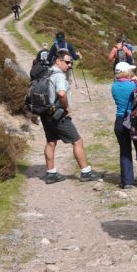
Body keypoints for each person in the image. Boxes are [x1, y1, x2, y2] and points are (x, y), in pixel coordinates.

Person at [41, 49, 101, 184]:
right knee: (77, 141)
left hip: (45, 113)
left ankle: (51, 174)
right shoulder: (59, 76)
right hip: (58, 114)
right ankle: (85, 172)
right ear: (58, 61)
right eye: (67, 62)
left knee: (51, 142)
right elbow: (61, 93)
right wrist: (67, 108)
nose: (70, 66)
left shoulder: (47, 72)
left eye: (71, 63)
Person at [110, 62, 137, 189]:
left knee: (124, 151)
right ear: (126, 72)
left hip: (120, 120)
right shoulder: (133, 85)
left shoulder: (114, 86)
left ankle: (127, 181)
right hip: (133, 120)